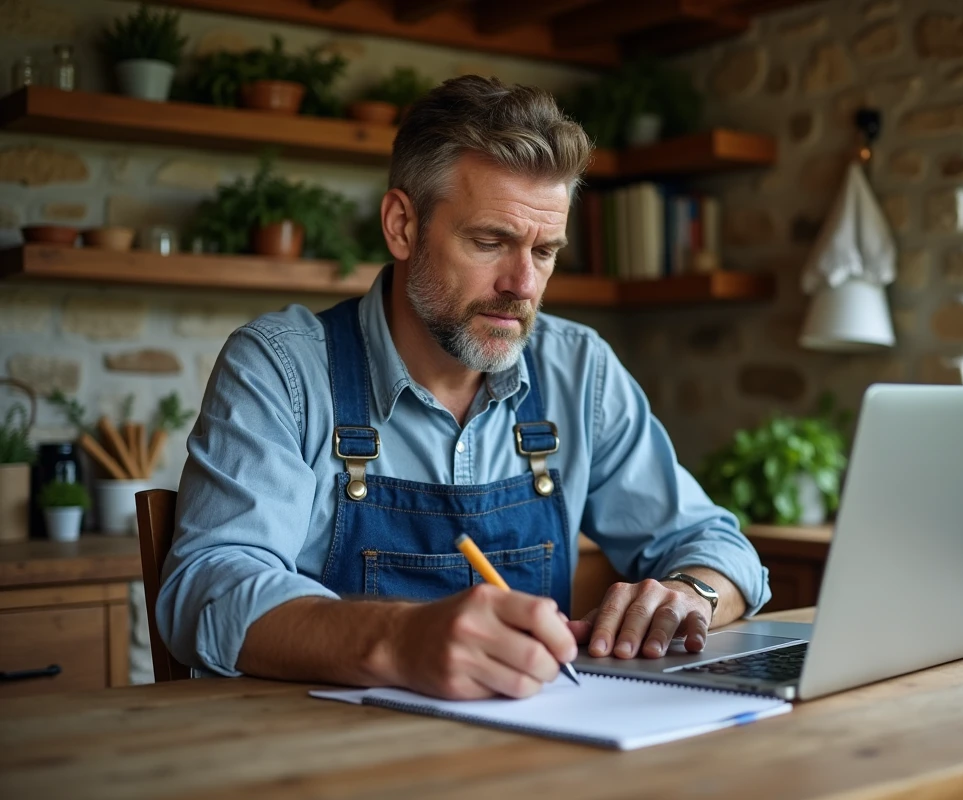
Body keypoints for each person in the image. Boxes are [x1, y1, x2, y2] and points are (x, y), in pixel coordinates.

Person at [158, 75, 770, 700]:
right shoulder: (281, 370)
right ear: (402, 225)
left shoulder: (579, 370)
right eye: (491, 241)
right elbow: (209, 587)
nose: (523, 284)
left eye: (546, 251)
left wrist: (690, 594)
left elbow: (718, 545)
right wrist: (400, 640)